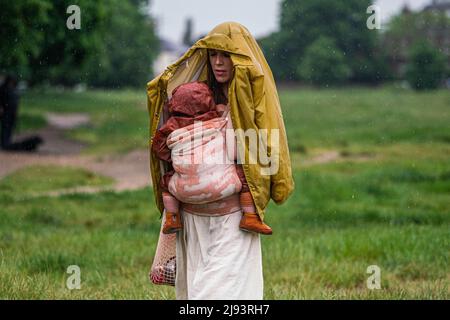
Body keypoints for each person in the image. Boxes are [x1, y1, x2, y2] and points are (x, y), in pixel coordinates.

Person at [147, 22, 295, 300]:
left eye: (225, 55)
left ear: (239, 59)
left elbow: (264, 149)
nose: (218, 62)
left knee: (224, 290)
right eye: (213, 55)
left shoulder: (253, 101)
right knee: (197, 289)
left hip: (233, 217)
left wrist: (267, 186)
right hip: (193, 215)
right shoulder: (196, 95)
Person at [151, 80, 273, 235]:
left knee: (166, 181)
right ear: (209, 102)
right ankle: (249, 216)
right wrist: (227, 110)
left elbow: (160, 151)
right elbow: (232, 134)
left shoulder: (172, 128)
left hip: (183, 191)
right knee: (244, 175)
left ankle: (172, 216)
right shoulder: (217, 122)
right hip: (223, 186)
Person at [0, 75, 42, 151]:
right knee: (5, 127)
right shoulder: (3, 89)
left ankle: (7, 142)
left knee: (10, 126)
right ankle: (4, 143)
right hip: (6, 111)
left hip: (12, 111)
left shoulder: (13, 89)